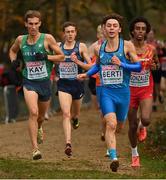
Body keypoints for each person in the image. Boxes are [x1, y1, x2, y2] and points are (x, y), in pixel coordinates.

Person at [77, 13, 141, 172]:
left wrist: (122, 64)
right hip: (106, 92)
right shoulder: (99, 48)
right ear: (104, 29)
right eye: (108, 26)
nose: (111, 28)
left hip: (123, 93)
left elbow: (138, 67)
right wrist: (87, 74)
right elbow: (98, 66)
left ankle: (114, 147)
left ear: (119, 29)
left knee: (119, 126)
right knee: (110, 124)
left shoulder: (126, 46)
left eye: (114, 26)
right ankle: (114, 157)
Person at [9, 10, 65, 160]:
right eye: (30, 24)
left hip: (45, 82)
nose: (33, 27)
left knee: (40, 117)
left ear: (40, 24)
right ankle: (35, 149)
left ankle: (40, 127)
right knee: (33, 113)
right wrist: (13, 61)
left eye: (36, 24)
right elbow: (12, 51)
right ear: (26, 24)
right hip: (29, 81)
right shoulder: (21, 40)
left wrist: (47, 56)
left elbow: (61, 56)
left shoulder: (47, 38)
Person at [56, 21, 92, 157]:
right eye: (67, 32)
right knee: (66, 114)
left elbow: (91, 66)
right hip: (63, 85)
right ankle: (68, 143)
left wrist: (78, 62)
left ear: (75, 33)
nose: (70, 34)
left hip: (77, 85)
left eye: (72, 31)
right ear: (63, 34)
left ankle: (76, 119)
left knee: (74, 115)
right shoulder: (58, 46)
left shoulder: (81, 46)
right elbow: (52, 60)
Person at [128, 17, 159, 167]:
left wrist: (154, 66)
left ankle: (143, 127)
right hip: (129, 91)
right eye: (137, 28)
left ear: (146, 31)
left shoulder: (151, 49)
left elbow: (157, 65)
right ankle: (134, 154)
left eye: (143, 29)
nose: (140, 31)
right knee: (132, 125)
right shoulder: (127, 48)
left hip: (146, 88)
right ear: (132, 31)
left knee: (145, 120)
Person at [88, 24, 106, 141]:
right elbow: (88, 62)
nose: (103, 34)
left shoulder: (114, 46)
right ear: (98, 34)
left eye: (104, 31)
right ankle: (104, 128)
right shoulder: (94, 46)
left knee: (105, 108)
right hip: (95, 79)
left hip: (108, 81)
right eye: (100, 32)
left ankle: (105, 129)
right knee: (100, 108)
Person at [147, 29, 162, 111]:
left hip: (156, 67)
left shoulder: (157, 43)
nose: (150, 35)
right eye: (149, 34)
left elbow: (162, 53)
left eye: (152, 34)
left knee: (156, 86)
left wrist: (161, 48)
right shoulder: (144, 43)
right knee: (150, 86)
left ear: (154, 35)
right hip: (147, 68)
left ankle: (155, 101)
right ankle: (152, 103)